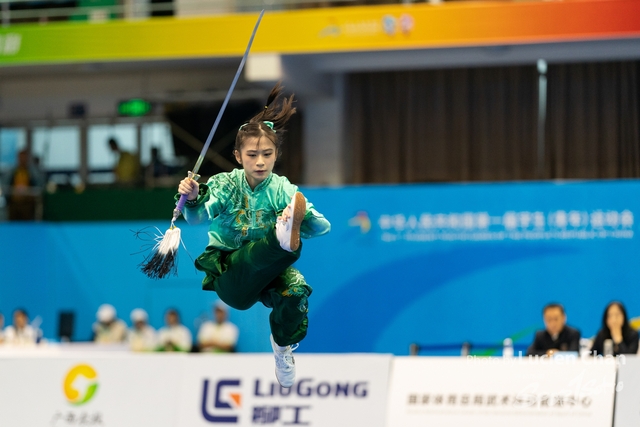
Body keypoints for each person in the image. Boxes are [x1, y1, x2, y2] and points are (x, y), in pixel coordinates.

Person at [177, 83, 331, 388]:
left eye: (267, 154)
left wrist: (300, 217)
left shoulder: (283, 189)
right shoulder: (224, 184)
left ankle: (282, 347)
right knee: (264, 252)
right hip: (231, 275)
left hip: (269, 275)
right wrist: (193, 197)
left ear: (276, 155)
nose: (260, 161)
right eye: (252, 154)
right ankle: (281, 238)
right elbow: (197, 217)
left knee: (297, 289)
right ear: (237, 156)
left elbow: (322, 228)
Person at [4, 149, 42, 221]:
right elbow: (6, 184)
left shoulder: (32, 172)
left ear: (27, 158)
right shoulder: (12, 171)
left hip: (27, 204)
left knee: (26, 225)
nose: (22, 159)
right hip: (14, 204)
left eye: (24, 157)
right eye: (20, 157)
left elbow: (39, 185)